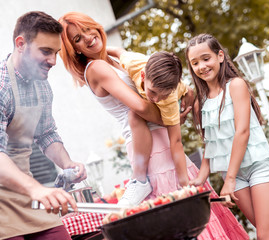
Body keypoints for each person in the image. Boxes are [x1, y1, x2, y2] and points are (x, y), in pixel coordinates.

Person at [58, 11, 249, 240]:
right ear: (74, 49)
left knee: (191, 204)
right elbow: (139, 107)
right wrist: (173, 119)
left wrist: (181, 96)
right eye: (78, 38)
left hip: (163, 141)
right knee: (181, 215)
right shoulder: (97, 68)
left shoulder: (115, 59)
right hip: (149, 149)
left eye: (88, 29)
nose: (88, 37)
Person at [0, 11, 87, 240]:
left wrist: (68, 164)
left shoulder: (42, 88)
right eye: (45, 51)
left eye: (56, 53)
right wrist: (36, 189)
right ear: (21, 44)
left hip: (22, 187)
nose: (53, 61)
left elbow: (46, 134)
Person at [185, 33, 269, 240]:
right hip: (234, 175)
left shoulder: (236, 86)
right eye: (195, 63)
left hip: (256, 165)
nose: (202, 66)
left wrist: (229, 180)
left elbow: (243, 132)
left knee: (265, 233)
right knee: (268, 227)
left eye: (206, 58)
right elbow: (210, 144)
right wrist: (200, 179)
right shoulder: (199, 103)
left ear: (220, 56)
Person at [107, 48, 192, 205]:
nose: (156, 99)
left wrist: (184, 184)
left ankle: (190, 92)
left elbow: (176, 142)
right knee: (133, 114)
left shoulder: (169, 100)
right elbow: (117, 51)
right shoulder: (134, 63)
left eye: (162, 95)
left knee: (190, 97)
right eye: (152, 92)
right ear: (143, 76)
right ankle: (139, 179)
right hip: (157, 74)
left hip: (184, 93)